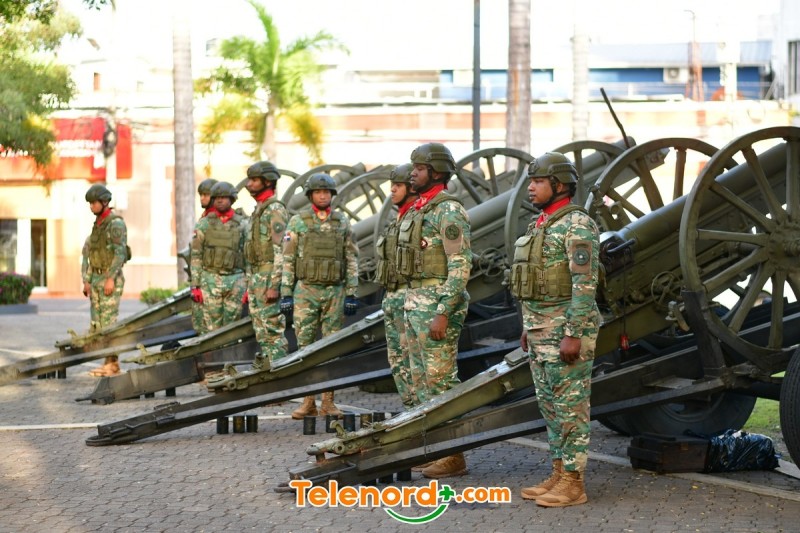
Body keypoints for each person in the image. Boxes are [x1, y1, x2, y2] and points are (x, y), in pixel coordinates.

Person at [509, 152, 601, 508]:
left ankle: (574, 483)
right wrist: (527, 327)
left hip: (565, 329)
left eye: (538, 182)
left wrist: (574, 333)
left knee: (570, 407)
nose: (531, 188)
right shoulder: (541, 223)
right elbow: (532, 280)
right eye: (531, 181)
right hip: (540, 328)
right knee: (550, 406)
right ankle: (559, 472)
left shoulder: (577, 224)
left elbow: (584, 284)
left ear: (559, 185)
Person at [397, 142, 472, 478]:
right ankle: (433, 448)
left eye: (420, 168)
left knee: (441, 381)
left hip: (436, 305)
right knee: (421, 382)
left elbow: (460, 265)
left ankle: (453, 455)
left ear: (437, 172)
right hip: (415, 302)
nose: (413, 173)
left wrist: (443, 311)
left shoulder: (448, 211)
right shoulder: (419, 210)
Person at [280, 173, 359, 419]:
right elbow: (288, 259)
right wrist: (286, 293)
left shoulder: (342, 222)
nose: (323, 195)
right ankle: (308, 402)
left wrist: (351, 293)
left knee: (331, 348)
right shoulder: (298, 222)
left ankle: (328, 402)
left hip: (334, 292)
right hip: (306, 291)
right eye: (318, 192)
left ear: (332, 195)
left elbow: (351, 258)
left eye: (327, 192)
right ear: (310, 195)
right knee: (305, 348)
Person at [375, 163, 418, 409]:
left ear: (411, 188)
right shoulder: (398, 219)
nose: (392, 190)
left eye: (398, 186)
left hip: (410, 298)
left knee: (413, 360)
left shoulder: (417, 218)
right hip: (392, 297)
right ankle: (410, 409)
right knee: (397, 360)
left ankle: (420, 413)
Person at [242, 161, 289, 370]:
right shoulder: (259, 210)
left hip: (268, 277)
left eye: (254, 180)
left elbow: (282, 250)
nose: (249, 184)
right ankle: (270, 371)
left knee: (272, 331)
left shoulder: (275, 210)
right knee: (261, 330)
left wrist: (274, 285)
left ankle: (279, 372)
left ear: (268, 181)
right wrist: (249, 284)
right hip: (257, 278)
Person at [81, 183, 129, 377]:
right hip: (96, 279)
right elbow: (90, 254)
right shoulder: (98, 225)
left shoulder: (115, 224)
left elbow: (120, 254)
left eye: (94, 203)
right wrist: (87, 280)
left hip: (110, 279)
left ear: (104, 202)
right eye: (90, 203)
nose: (91, 206)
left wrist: (110, 279)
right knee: (98, 324)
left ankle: (113, 364)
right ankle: (108, 362)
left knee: (109, 323)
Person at [189, 181, 248, 333]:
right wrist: (195, 285)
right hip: (210, 280)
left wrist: (249, 286)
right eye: (216, 198)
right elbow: (196, 256)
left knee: (232, 329)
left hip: (236, 281)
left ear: (232, 199)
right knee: (211, 329)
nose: (220, 200)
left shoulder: (243, 224)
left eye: (224, 197)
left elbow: (249, 257)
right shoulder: (204, 224)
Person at [190, 178, 218, 335]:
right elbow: (196, 255)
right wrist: (195, 284)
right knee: (201, 324)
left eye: (206, 195)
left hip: (214, 280)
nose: (202, 198)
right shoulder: (204, 220)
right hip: (204, 279)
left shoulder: (217, 221)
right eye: (201, 195)